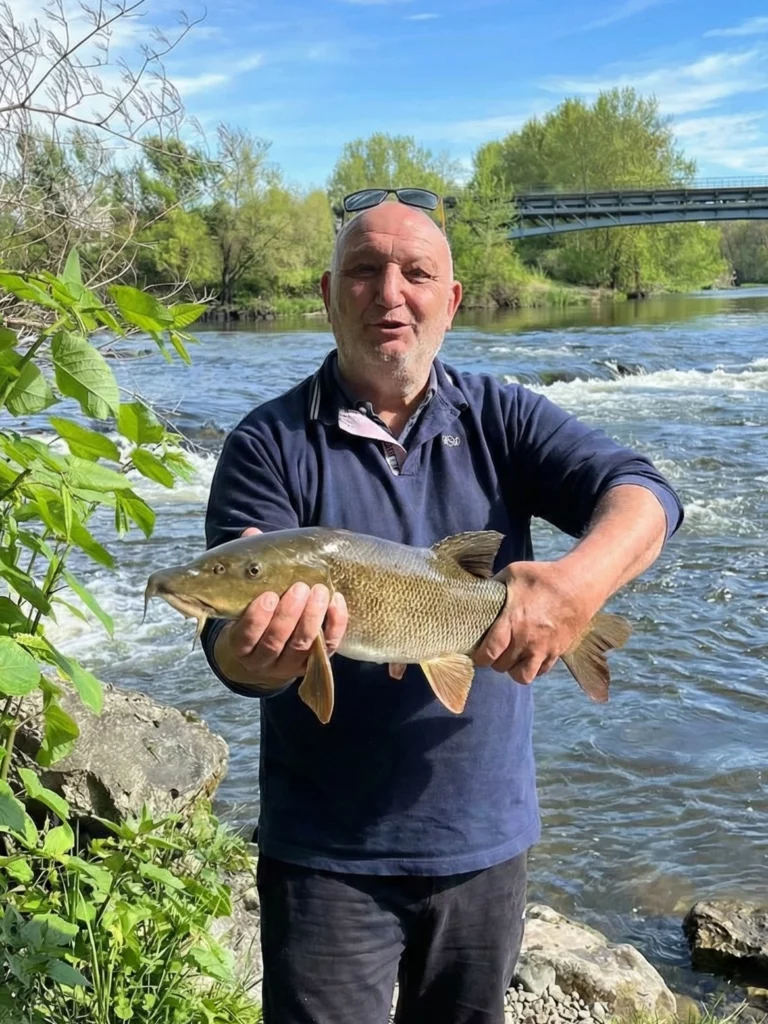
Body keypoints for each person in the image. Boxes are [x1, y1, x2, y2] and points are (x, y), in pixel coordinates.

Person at [201, 192, 683, 1024]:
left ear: (451, 300)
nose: (390, 293)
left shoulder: (504, 416)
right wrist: (256, 652)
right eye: (364, 271)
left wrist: (575, 587)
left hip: (485, 842)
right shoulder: (266, 444)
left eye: (416, 272)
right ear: (326, 294)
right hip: (325, 851)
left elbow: (646, 493)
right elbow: (230, 653)